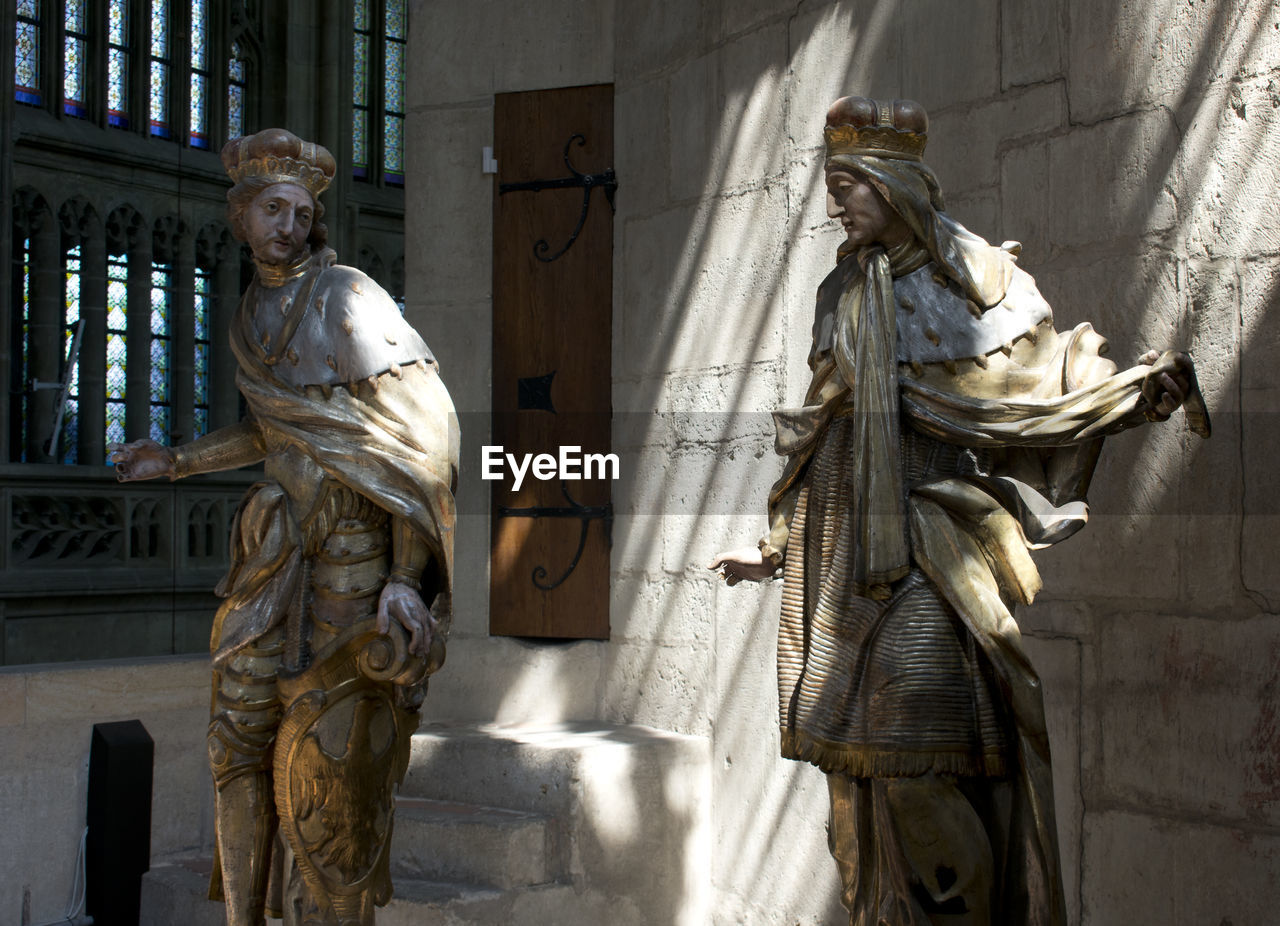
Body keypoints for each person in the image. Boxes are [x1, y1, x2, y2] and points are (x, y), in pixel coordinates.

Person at [710, 97, 1209, 925]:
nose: (835, 206)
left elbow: (1050, 383)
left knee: (913, 755)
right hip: (838, 565)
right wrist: (776, 544)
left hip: (931, 545)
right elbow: (826, 428)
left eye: (847, 186)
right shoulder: (844, 289)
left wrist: (1134, 395)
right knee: (866, 772)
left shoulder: (982, 285)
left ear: (893, 184)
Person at [110, 128, 458, 926]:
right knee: (237, 739)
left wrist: (406, 578)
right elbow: (276, 431)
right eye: (274, 208)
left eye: (302, 212)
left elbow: (423, 441)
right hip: (271, 550)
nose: (290, 225)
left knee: (331, 760)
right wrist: (180, 459)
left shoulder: (347, 297)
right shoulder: (249, 312)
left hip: (352, 554)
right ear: (241, 216)